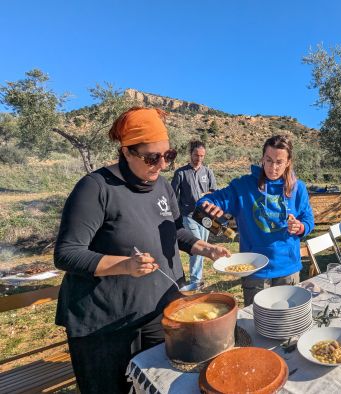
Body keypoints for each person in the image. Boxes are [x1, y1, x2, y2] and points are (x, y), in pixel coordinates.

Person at [53, 107, 230, 393]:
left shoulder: (162, 187)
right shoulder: (95, 188)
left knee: (158, 386)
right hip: (106, 325)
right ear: (126, 152)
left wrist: (204, 248)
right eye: (151, 157)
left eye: (168, 155)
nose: (161, 164)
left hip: (158, 313)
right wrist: (125, 265)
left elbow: (176, 231)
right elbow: (67, 253)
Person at [197, 135, 315, 306]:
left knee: (286, 323)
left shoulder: (298, 188)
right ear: (262, 158)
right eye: (268, 160)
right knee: (255, 324)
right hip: (254, 269)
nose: (273, 167)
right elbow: (205, 204)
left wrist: (301, 227)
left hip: (288, 267)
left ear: (288, 162)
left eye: (279, 162)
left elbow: (308, 219)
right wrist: (210, 211)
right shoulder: (243, 186)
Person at [171, 140, 217, 289]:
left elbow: (215, 192)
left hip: (205, 217)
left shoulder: (208, 172)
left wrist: (207, 195)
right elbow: (172, 195)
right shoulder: (181, 173)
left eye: (202, 156)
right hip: (188, 215)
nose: (199, 158)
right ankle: (195, 282)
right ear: (190, 154)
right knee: (197, 247)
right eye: (196, 155)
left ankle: (197, 279)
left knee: (202, 248)